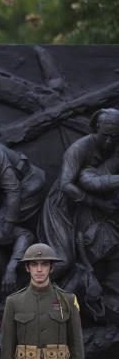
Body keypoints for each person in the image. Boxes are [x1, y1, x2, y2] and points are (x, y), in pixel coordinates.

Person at [0, 243, 85, 359]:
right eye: (34, 264)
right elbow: (7, 348)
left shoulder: (67, 300)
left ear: (51, 268)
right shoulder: (14, 302)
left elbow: (76, 346)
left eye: (44, 264)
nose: (39, 269)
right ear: (27, 267)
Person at [39, 108, 119, 283]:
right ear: (96, 128)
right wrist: (97, 203)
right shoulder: (78, 149)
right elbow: (66, 185)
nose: (108, 141)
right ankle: (27, 294)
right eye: (105, 135)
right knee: (64, 260)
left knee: (96, 251)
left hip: (89, 206)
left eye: (114, 136)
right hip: (62, 206)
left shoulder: (115, 148)